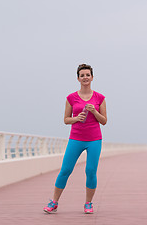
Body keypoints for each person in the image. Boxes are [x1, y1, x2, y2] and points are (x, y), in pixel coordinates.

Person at [43, 64, 107, 214]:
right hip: (76, 139)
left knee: (90, 171)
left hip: (94, 140)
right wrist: (77, 118)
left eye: (87, 75)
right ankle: (54, 202)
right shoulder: (71, 98)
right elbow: (66, 120)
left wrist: (94, 112)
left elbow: (104, 121)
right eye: (82, 75)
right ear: (78, 78)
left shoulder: (100, 98)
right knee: (65, 170)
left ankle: (88, 203)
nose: (85, 77)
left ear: (92, 77)